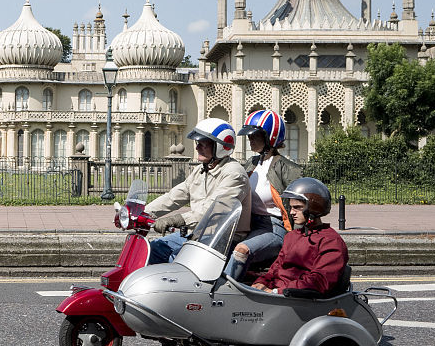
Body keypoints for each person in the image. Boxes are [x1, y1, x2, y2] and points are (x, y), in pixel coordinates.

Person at [146, 118, 251, 265]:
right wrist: (143, 212)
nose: (197, 148)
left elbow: (213, 211)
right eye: (197, 143)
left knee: (175, 262)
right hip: (198, 234)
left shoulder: (234, 174)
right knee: (153, 249)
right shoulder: (202, 169)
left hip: (223, 239)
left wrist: (175, 220)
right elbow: (174, 196)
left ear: (220, 146)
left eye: (202, 144)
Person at [228, 110, 303, 278]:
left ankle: (225, 290)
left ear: (270, 137)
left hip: (274, 228)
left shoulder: (288, 169)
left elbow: (300, 207)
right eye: (249, 136)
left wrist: (297, 241)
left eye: (254, 136)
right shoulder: (251, 164)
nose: (250, 139)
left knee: (241, 251)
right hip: (247, 225)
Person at [252, 177, 348, 295]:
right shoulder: (291, 236)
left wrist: (277, 291)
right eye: (291, 207)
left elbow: (319, 281)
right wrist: (261, 283)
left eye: (297, 207)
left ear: (313, 208)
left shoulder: (330, 241)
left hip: (296, 299)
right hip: (277, 294)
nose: (292, 212)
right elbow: (275, 269)